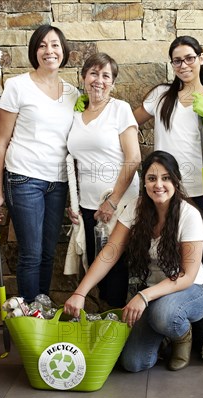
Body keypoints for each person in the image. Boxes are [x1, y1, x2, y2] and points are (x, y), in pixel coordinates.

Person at [63, 151, 203, 372]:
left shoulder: (188, 214)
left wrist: (143, 296)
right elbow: (109, 253)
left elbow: (187, 276)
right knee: (133, 363)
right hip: (154, 293)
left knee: (164, 313)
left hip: (192, 290)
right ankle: (162, 333)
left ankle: (181, 335)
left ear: (175, 180)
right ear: (144, 182)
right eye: (152, 178)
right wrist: (80, 293)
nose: (158, 185)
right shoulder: (136, 207)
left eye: (165, 178)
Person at [132, 36, 203, 348]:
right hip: (163, 191)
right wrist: (93, 111)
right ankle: (170, 323)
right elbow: (128, 122)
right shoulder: (161, 96)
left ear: (201, 58)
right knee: (164, 253)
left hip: (200, 191)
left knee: (199, 263)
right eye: (176, 60)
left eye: (188, 58)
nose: (183, 65)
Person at [0, 24, 79, 304]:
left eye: (54, 45)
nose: (49, 51)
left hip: (59, 182)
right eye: (42, 45)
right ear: (34, 51)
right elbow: (1, 141)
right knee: (31, 252)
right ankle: (29, 315)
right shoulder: (17, 86)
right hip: (23, 179)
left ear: (63, 51)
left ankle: (43, 307)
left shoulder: (74, 93)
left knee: (49, 252)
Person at [67, 52, 141, 308]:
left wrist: (113, 201)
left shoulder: (120, 110)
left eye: (106, 75)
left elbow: (133, 158)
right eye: (94, 74)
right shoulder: (74, 115)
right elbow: (72, 163)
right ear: (83, 78)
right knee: (95, 265)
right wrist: (73, 204)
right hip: (88, 206)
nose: (99, 80)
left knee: (116, 268)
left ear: (113, 83)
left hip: (119, 203)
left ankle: (117, 334)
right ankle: (103, 326)